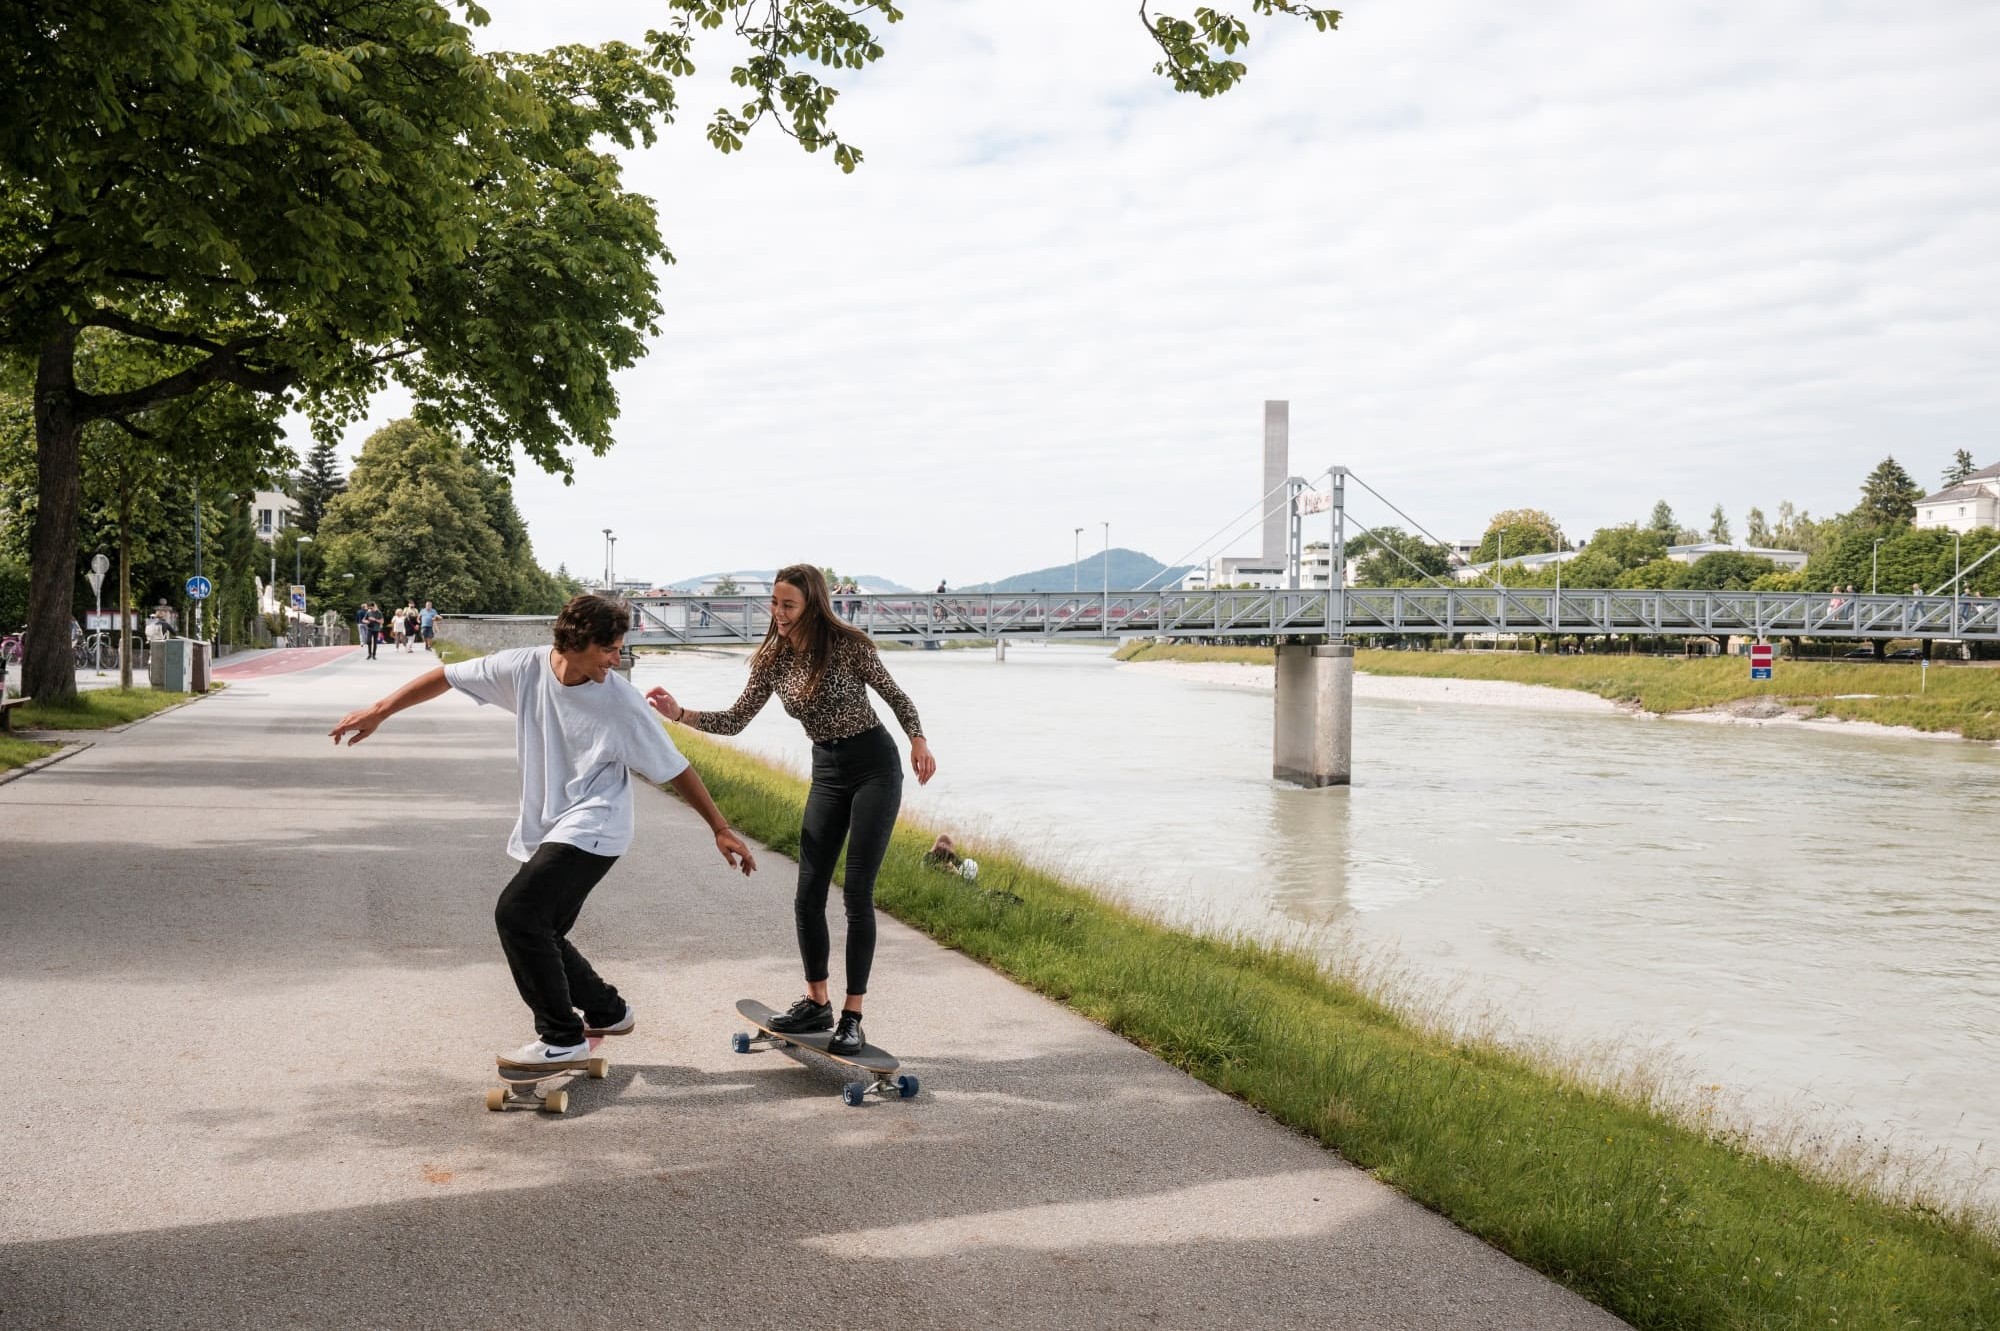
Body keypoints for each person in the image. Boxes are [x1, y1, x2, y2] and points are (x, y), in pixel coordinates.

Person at [328, 593, 756, 1070]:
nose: (617, 660)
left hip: (597, 826)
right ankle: (607, 1011)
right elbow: (445, 677)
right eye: (609, 649)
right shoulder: (523, 668)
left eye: (620, 649)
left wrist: (720, 827)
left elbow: (676, 767)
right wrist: (379, 711)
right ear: (574, 641)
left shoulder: (622, 701)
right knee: (545, 930)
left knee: (517, 914)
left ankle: (561, 1036)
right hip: (553, 825)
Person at [646, 564, 934, 1056]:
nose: (778, 614)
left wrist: (918, 740)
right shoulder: (774, 659)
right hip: (827, 770)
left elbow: (895, 697)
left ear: (812, 605)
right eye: (774, 604)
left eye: (788, 605)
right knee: (807, 895)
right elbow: (736, 720)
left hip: (874, 768)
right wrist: (680, 715)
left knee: (857, 893)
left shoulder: (848, 647)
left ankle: (853, 1015)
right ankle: (816, 1001)